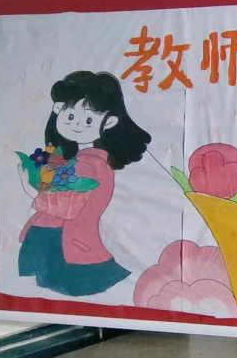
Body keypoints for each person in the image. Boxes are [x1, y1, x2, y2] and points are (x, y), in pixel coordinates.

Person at [17, 71, 151, 297]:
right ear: (58, 109)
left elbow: (68, 207)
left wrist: (30, 189)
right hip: (59, 242)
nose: (77, 124)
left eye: (89, 119)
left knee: (46, 294)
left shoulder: (88, 165)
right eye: (70, 116)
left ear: (109, 122)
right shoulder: (84, 161)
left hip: (63, 246)